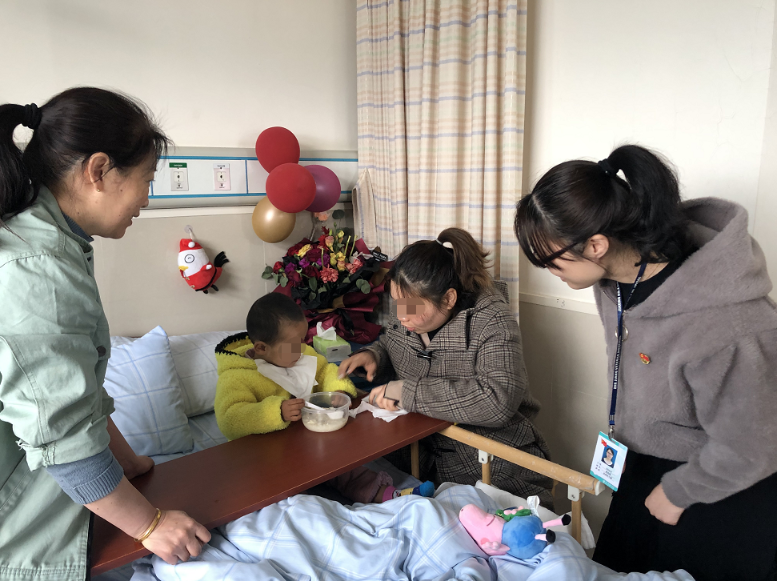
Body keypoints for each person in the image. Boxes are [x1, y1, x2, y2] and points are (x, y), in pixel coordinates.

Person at [514, 144, 777, 581]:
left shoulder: (730, 323)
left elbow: (754, 444)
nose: (552, 273)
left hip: (718, 480)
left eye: (553, 262)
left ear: (596, 245)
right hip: (643, 461)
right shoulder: (613, 282)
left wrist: (679, 492)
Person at [0, 89, 210, 581]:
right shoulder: (37, 268)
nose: (146, 199)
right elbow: (62, 435)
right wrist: (150, 525)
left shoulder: (52, 243)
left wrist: (127, 461)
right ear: (98, 170)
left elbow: (77, 389)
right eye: (146, 180)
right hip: (20, 525)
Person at [338, 227, 553, 506]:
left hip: (488, 459)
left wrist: (407, 392)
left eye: (412, 308)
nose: (402, 316)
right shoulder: (407, 311)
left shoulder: (492, 322)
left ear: (449, 299)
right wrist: (375, 355)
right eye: (397, 303)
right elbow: (394, 343)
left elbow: (497, 400)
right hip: (418, 453)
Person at [214, 293, 434, 503]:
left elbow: (327, 371)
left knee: (346, 468)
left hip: (311, 448)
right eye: (293, 346)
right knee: (286, 492)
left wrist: (339, 391)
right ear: (261, 348)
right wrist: (276, 412)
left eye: (302, 341)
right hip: (267, 459)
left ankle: (395, 496)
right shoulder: (237, 376)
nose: (300, 351)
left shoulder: (303, 354)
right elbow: (230, 418)